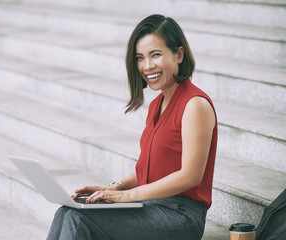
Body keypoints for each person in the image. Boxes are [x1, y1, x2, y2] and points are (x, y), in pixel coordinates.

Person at [46, 14, 217, 240]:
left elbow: (190, 177)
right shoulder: (157, 104)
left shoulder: (195, 105)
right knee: (67, 211)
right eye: (140, 58)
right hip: (151, 206)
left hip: (180, 217)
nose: (147, 66)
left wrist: (128, 196)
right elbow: (146, 169)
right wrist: (115, 188)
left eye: (156, 54)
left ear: (179, 54)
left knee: (79, 219)